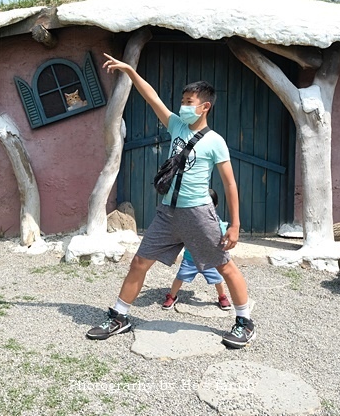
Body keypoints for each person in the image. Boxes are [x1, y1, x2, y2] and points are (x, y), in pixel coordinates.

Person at [86, 53, 255, 348]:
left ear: (205, 106)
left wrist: (235, 225)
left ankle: (244, 322)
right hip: (167, 212)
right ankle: (119, 316)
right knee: (139, 262)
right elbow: (151, 98)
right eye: (183, 101)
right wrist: (129, 71)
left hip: (198, 214)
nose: (184, 106)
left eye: (190, 102)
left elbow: (230, 183)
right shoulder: (176, 126)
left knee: (224, 266)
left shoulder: (215, 141)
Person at [162, 189, 232, 311]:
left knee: (218, 278)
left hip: (210, 259)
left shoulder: (216, 221)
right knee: (180, 276)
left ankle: (222, 296)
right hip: (191, 258)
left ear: (214, 206)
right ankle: (172, 296)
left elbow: (222, 233)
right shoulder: (190, 220)